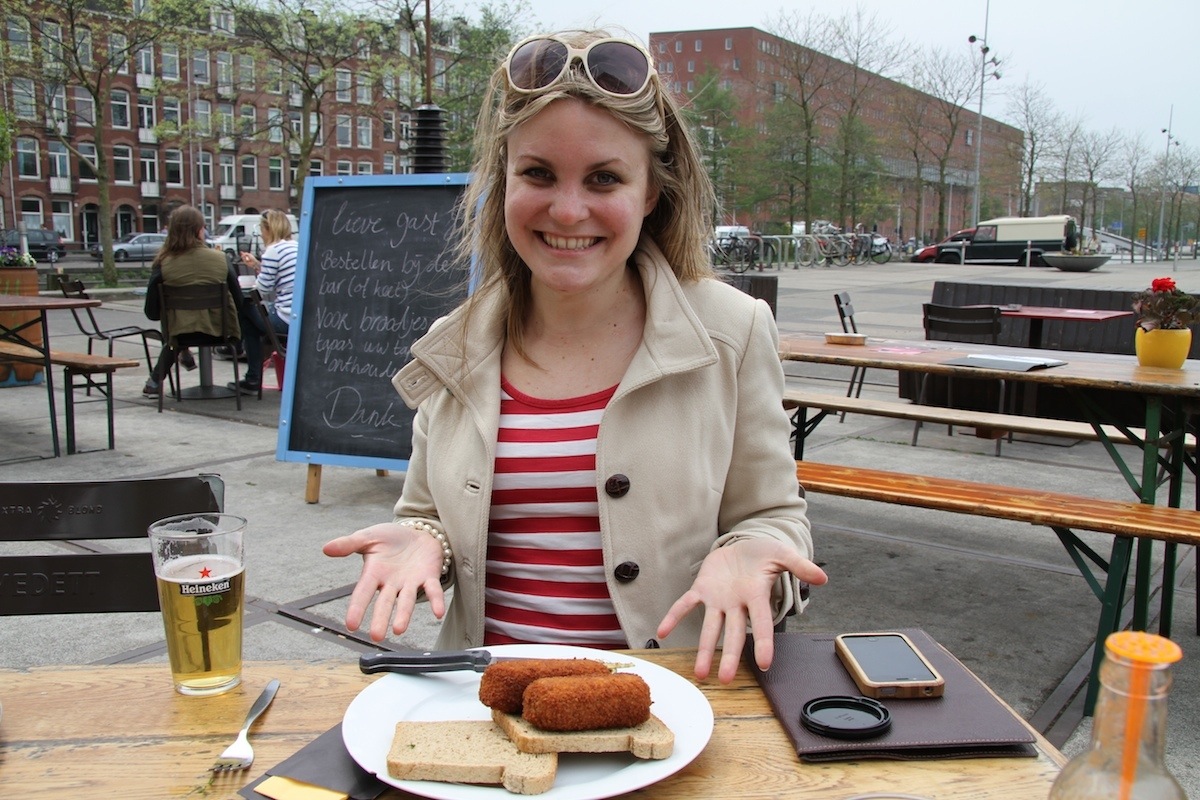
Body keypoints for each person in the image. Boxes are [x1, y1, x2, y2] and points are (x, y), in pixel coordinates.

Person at [322, 29, 827, 683]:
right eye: (537, 173)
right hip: (490, 709)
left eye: (604, 178)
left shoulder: (732, 332)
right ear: (502, 178)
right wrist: (422, 539)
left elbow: (773, 516)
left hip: (672, 709)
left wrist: (756, 552)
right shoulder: (457, 345)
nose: (567, 209)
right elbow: (425, 512)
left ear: (649, 192)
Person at [143, 206, 243, 397]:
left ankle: (155, 381)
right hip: (221, 333)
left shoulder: (163, 263)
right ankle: (251, 377)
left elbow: (152, 312)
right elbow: (238, 301)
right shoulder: (221, 259)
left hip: (179, 336)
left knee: (178, 332)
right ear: (199, 231)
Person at [230, 209, 297, 394]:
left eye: (261, 228)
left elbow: (261, 290)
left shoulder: (272, 251)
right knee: (252, 321)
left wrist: (255, 276)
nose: (260, 233)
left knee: (245, 311)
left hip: (285, 319)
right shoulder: (296, 247)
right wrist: (258, 266)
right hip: (301, 317)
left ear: (268, 229)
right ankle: (252, 378)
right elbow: (282, 278)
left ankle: (252, 377)